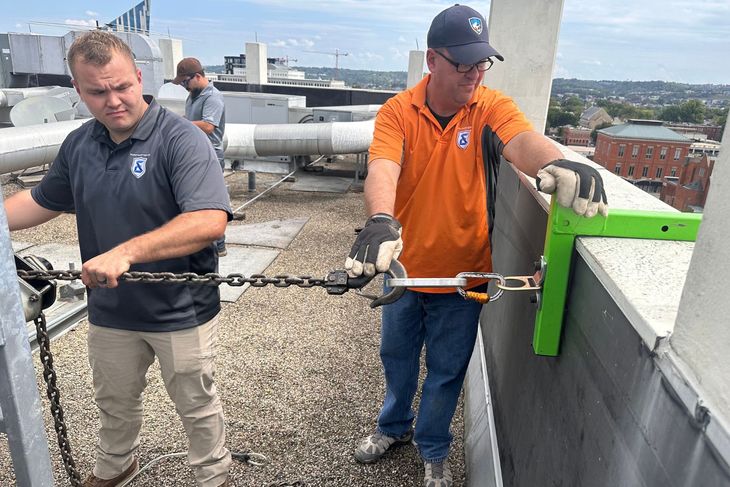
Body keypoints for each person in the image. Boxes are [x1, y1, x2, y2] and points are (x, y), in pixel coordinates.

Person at [346, 5, 607, 487]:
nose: (473, 73)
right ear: (433, 60)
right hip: (403, 270)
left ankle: (433, 449)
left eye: (480, 63)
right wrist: (381, 220)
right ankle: (393, 427)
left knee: (447, 370)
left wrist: (563, 162)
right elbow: (384, 167)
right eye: (462, 63)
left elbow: (523, 141)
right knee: (396, 358)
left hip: (467, 277)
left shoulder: (490, 107)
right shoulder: (398, 112)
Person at [4, 31, 232, 487]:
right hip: (110, 308)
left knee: (196, 402)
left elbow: (209, 219)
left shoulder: (182, 140)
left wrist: (126, 252)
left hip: (180, 308)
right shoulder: (79, 145)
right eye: (97, 91)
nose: (113, 100)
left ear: (139, 77)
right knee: (113, 400)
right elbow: (40, 200)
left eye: (122, 86)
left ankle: (212, 477)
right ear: (78, 89)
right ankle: (116, 469)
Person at [173, 57, 228, 257]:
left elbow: (207, 126)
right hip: (195, 152)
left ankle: (218, 245)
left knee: (210, 201)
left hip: (210, 154)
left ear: (197, 76)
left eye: (185, 81)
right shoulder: (194, 96)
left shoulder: (212, 97)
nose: (184, 86)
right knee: (192, 200)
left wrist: (179, 125)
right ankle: (200, 242)